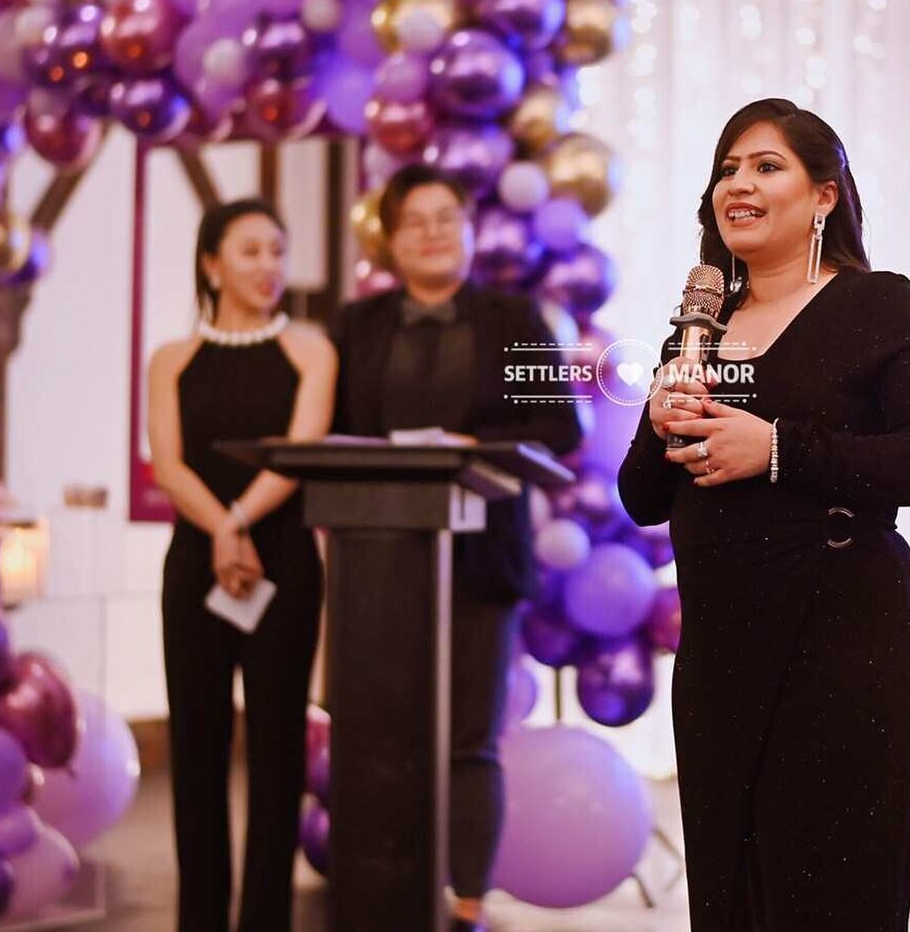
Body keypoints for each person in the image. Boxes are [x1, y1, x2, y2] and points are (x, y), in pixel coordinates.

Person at [617, 98, 910, 930]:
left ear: (824, 196)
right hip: (719, 655)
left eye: (766, 166)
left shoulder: (881, 305)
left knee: (830, 892)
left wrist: (778, 449)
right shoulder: (697, 334)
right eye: (727, 169)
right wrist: (660, 421)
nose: (737, 185)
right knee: (731, 894)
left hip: (843, 639)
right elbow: (641, 499)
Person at [332, 165, 583, 932]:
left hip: (482, 560)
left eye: (448, 218)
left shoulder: (514, 317)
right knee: (384, 739)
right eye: (416, 221)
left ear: (471, 232)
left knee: (471, 738)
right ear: (390, 240)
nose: (434, 233)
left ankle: (467, 902)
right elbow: (336, 431)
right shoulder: (358, 325)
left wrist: (473, 445)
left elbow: (560, 428)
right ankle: (388, 894)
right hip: (378, 563)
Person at [147, 198, 337, 932]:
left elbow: (300, 450)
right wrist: (221, 531)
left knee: (278, 746)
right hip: (194, 563)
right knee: (195, 747)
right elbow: (169, 465)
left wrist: (236, 524)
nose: (269, 267)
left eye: (277, 251)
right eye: (251, 251)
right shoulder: (171, 359)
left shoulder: (310, 349)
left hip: (283, 562)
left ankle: (265, 919)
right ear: (211, 263)